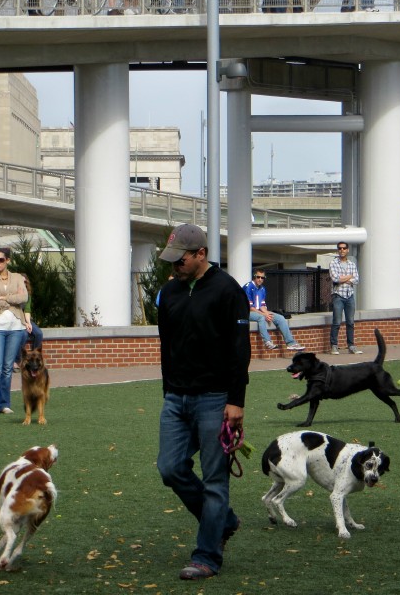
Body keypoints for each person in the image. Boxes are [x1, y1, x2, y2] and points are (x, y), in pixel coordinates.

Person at [156, 223, 250, 581]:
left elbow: (240, 350)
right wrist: (168, 391)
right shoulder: (170, 292)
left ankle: (207, 556)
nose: (174, 267)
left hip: (215, 399)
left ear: (201, 255)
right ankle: (222, 520)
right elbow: (166, 346)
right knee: (170, 468)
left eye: (180, 260)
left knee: (214, 482)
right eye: (172, 260)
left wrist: (236, 401)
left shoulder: (228, 291)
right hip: (176, 398)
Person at [0, 247, 31, 415]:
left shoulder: (17, 277)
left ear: (7, 260)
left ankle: (4, 404)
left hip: (16, 327)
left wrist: (3, 298)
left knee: (7, 367)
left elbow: (24, 297)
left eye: (0, 260)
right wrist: (10, 300)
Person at [244, 269, 302, 351]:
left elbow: (262, 305)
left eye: (262, 278)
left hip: (258, 311)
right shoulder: (248, 287)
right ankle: (267, 342)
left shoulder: (262, 289)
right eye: (258, 277)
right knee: (261, 318)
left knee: (280, 318)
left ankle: (290, 343)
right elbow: (250, 307)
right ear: (254, 277)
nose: (260, 279)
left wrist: (267, 313)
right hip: (247, 312)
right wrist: (264, 315)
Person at [329, 241, 361, 354]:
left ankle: (351, 346)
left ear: (347, 250)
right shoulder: (333, 263)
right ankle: (334, 346)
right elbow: (335, 279)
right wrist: (349, 277)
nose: (342, 250)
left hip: (349, 296)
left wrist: (344, 278)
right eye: (340, 248)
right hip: (338, 295)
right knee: (337, 322)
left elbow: (356, 279)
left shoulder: (352, 264)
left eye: (344, 248)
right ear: (338, 250)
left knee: (350, 322)